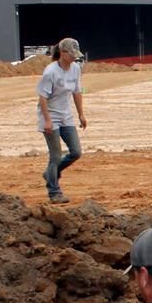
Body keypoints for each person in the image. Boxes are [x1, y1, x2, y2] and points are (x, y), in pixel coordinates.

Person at [37, 37, 88, 203]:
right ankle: (54, 192)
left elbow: (77, 92)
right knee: (56, 156)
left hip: (66, 115)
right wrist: (47, 120)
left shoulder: (75, 69)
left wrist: (81, 114)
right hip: (50, 115)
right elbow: (42, 98)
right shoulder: (50, 72)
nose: (74, 58)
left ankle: (49, 174)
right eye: (71, 54)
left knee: (76, 152)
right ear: (63, 53)